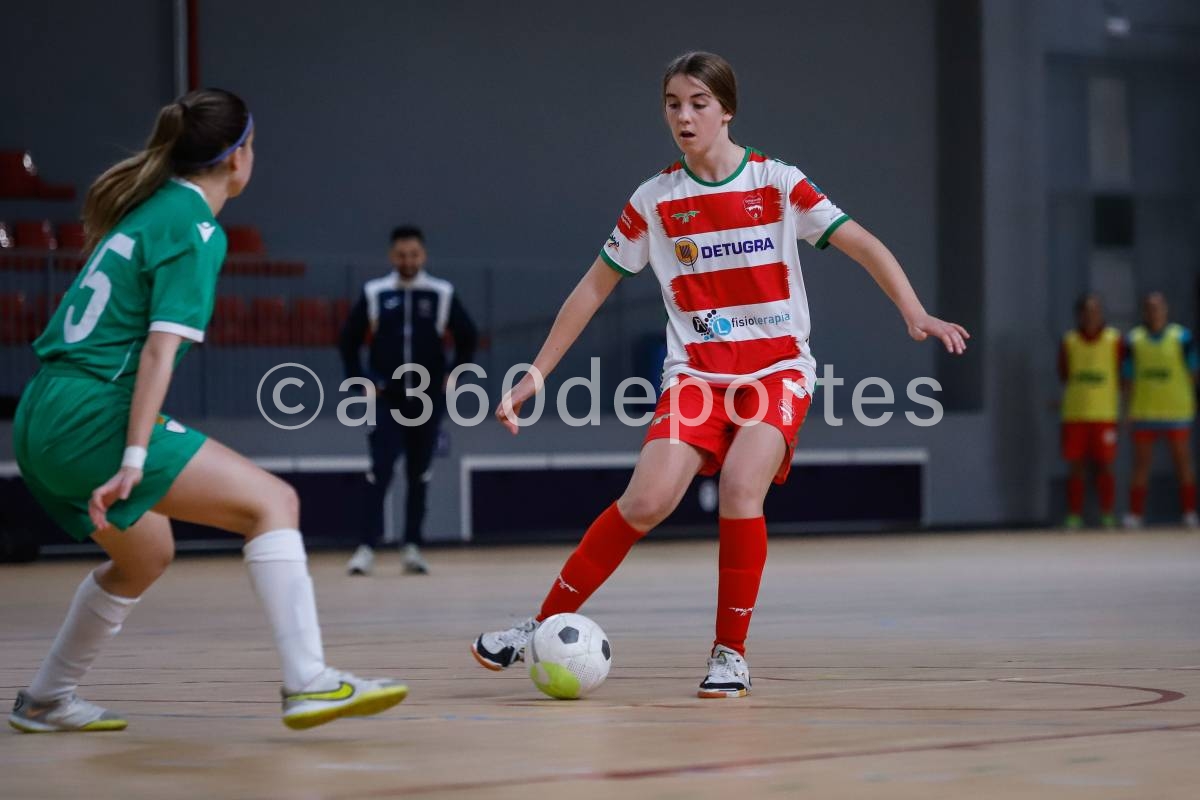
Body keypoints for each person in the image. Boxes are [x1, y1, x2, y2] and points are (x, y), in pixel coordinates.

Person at [470, 52, 968, 698]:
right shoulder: (653, 201)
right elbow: (591, 291)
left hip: (777, 369)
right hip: (696, 376)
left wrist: (914, 310)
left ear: (726, 109)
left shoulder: (778, 182)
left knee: (740, 486)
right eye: (673, 103)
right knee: (645, 501)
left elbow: (864, 244)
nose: (684, 115)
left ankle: (729, 653)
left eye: (699, 103)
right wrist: (536, 372)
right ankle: (537, 626)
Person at [8, 89, 407, 733]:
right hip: (90, 415)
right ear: (236, 158)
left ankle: (46, 698)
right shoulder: (195, 229)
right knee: (273, 503)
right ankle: (309, 682)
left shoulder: (148, 209)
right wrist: (134, 455)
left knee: (146, 554)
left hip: (41, 411)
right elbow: (159, 353)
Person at [339, 225, 477, 575]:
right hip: (387, 399)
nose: (408, 260)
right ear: (392, 256)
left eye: (413, 254)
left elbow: (468, 336)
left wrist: (455, 373)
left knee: (420, 473)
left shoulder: (440, 293)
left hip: (427, 399)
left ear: (423, 256)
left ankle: (412, 546)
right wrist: (361, 380)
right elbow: (348, 340)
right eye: (401, 255)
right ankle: (366, 548)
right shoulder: (376, 293)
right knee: (380, 471)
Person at [1123, 292, 1198, 528]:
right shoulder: (1134, 340)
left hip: (1176, 410)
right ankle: (1135, 514)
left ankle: (1189, 512)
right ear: (1144, 311)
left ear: (1166, 310)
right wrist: (1126, 409)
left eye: (1158, 307)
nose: (1154, 312)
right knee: (1141, 465)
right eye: (1149, 308)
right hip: (1145, 410)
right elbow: (1128, 378)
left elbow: (1194, 372)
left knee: (1183, 462)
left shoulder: (1182, 337)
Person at [1057, 293, 1122, 529]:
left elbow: (1123, 376)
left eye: (1095, 311)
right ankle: (1074, 515)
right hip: (1075, 414)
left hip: (1104, 414)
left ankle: (1107, 514)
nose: (1091, 315)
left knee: (1105, 465)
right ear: (1079, 314)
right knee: (1076, 466)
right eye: (1086, 311)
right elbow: (1064, 374)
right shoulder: (1070, 341)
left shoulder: (1114, 340)